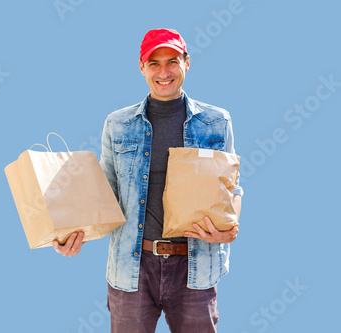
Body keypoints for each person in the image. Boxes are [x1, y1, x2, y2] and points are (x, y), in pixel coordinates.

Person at [53, 28, 243, 333]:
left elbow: (232, 187)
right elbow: (104, 194)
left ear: (187, 63)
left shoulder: (216, 121)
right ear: (141, 67)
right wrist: (73, 234)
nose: (164, 72)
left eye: (172, 61)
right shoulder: (118, 123)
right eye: (154, 63)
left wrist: (230, 231)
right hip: (132, 267)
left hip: (196, 266)